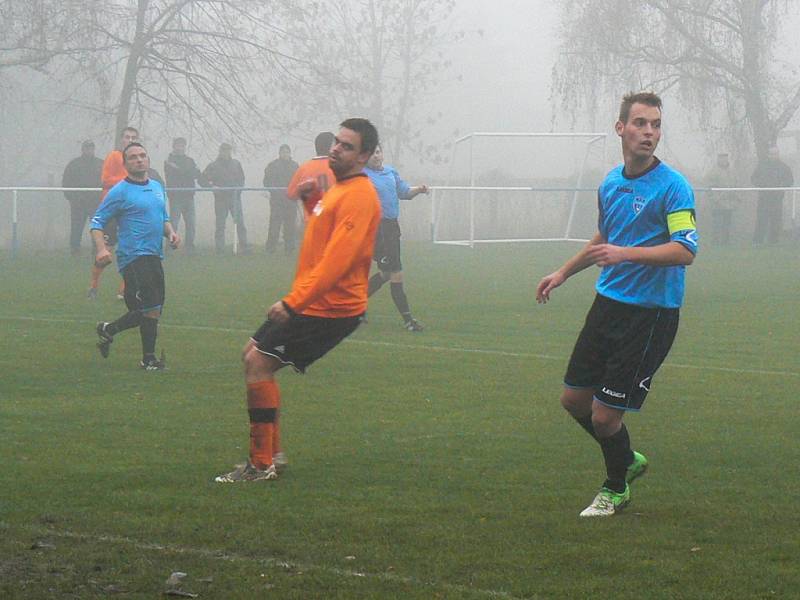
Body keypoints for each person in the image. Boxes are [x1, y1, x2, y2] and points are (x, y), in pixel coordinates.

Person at [536, 91, 698, 517]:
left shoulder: (674, 186)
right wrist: (563, 272)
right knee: (573, 401)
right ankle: (627, 459)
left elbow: (685, 250)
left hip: (650, 314)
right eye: (641, 123)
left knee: (606, 418)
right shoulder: (610, 182)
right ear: (620, 128)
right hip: (607, 304)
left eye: (656, 125)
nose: (649, 132)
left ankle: (615, 488)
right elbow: (603, 238)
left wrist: (627, 254)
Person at [215, 118, 381, 483]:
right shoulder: (339, 188)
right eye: (337, 142)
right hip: (313, 300)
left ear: (365, 155)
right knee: (250, 355)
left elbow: (339, 261)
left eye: (347, 146)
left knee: (258, 363)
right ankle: (272, 454)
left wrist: (293, 302)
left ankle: (261, 464)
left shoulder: (360, 196)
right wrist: (311, 203)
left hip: (330, 307)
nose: (336, 148)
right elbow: (322, 237)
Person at [91, 142, 180, 371]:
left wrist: (171, 233)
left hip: (154, 255)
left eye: (142, 156)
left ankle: (108, 330)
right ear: (126, 163)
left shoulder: (158, 187)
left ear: (148, 159)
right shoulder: (119, 191)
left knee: (154, 308)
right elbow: (97, 222)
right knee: (147, 307)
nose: (139, 160)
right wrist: (101, 248)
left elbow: (162, 218)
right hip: (133, 257)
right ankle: (148, 360)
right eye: (133, 157)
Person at [364, 143, 428, 331]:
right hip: (378, 230)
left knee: (385, 274)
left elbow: (404, 192)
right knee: (396, 272)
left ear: (382, 154)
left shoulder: (390, 172)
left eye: (377, 152)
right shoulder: (363, 176)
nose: (375, 156)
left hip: (392, 228)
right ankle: (408, 321)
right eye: (371, 154)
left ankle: (353, 308)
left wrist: (420, 189)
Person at [88, 126, 139, 300]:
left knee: (130, 251)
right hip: (111, 210)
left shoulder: (137, 160)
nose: (130, 140)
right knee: (106, 252)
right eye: (127, 137)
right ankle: (93, 286)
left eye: (133, 137)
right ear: (121, 139)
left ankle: (124, 290)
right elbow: (106, 180)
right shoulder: (114, 156)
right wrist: (127, 180)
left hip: (129, 212)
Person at [200, 143, 248, 255]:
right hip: (220, 199)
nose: (226, 153)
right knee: (220, 224)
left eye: (228, 150)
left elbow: (242, 179)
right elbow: (202, 179)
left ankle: (244, 247)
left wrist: (239, 190)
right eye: (223, 150)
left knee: (240, 223)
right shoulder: (213, 166)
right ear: (220, 151)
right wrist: (211, 187)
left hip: (234, 198)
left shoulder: (236, 164)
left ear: (230, 151)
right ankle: (220, 249)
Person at [62, 140, 103, 256]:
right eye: (87, 148)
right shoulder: (74, 164)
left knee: (96, 228)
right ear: (83, 149)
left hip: (96, 203)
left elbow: (106, 181)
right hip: (78, 203)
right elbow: (66, 182)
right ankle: (75, 249)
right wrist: (72, 198)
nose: (89, 150)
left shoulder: (101, 164)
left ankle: (96, 250)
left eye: (91, 148)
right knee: (76, 227)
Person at [751, 144, 794, 245]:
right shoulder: (762, 166)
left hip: (777, 198)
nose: (773, 155)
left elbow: (790, 180)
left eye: (775, 153)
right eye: (771, 153)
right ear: (768, 154)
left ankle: (773, 241)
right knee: (761, 219)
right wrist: (762, 184)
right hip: (764, 198)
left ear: (778, 154)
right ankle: (757, 241)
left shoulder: (784, 167)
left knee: (776, 220)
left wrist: (782, 185)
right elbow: (753, 178)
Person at [164, 137, 201, 253]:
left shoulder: (190, 160)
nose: (180, 147)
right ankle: (170, 247)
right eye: (178, 145)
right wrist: (188, 172)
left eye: (182, 145)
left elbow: (196, 174)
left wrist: (185, 171)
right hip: (176, 196)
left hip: (189, 196)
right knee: (173, 224)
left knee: (191, 224)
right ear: (174, 146)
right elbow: (176, 175)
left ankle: (190, 248)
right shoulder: (168, 161)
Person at [263, 144, 300, 254]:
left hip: (291, 201)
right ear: (279, 153)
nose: (285, 154)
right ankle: (270, 249)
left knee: (290, 226)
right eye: (283, 152)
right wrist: (275, 192)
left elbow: (299, 181)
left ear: (290, 153)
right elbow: (266, 182)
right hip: (277, 201)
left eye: (287, 152)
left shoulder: (295, 166)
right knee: (274, 225)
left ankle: (289, 249)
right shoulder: (272, 166)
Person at [287, 132, 336, 201]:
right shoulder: (340, 168)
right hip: (335, 210)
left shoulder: (304, 168)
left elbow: (291, 194)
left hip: (313, 210)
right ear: (331, 147)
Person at [704, 151, 738, 245]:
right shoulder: (713, 172)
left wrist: (736, 197)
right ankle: (715, 241)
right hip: (717, 203)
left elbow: (736, 184)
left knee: (727, 223)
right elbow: (709, 187)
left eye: (725, 158)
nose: (724, 160)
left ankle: (725, 241)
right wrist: (715, 198)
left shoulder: (732, 171)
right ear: (718, 159)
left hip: (729, 203)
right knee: (717, 223)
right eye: (722, 158)